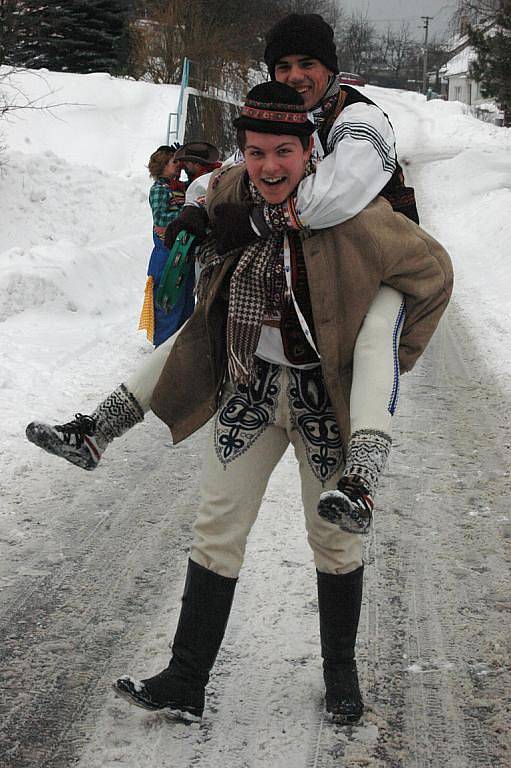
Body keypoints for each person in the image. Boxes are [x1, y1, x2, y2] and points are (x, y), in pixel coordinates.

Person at [109, 82, 452, 725]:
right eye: (257, 151)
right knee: (216, 526)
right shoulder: (240, 201)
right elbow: (204, 201)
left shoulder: (356, 216)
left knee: (333, 537)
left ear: (310, 151)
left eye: (285, 152)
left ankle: (341, 676)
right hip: (253, 391)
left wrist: (391, 353)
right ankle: (186, 677)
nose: (271, 166)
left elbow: (433, 273)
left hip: (320, 400)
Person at [26, 14, 424, 527]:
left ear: (330, 68)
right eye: (284, 65)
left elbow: (329, 199)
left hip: (380, 259)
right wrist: (201, 202)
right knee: (213, 314)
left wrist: (250, 218)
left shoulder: (361, 122)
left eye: (308, 63)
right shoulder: (286, 115)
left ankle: (363, 479)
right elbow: (243, 171)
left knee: (374, 339)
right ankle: (96, 428)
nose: (296, 75)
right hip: (313, 260)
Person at [138, 144, 190, 347]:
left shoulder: (178, 187)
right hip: (167, 256)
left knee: (185, 305)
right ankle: (163, 351)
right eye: (174, 162)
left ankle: (179, 348)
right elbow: (160, 218)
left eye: (179, 162)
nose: (178, 166)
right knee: (169, 304)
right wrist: (187, 214)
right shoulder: (160, 190)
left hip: (181, 253)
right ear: (162, 166)